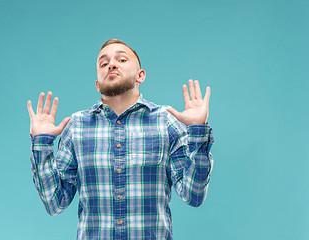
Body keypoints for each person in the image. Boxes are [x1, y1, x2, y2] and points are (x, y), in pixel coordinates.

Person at [27, 39, 214, 239]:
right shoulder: (77, 127)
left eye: (122, 59)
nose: (112, 65)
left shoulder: (166, 122)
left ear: (140, 75)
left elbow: (193, 195)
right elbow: (55, 203)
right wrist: (42, 142)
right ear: (98, 85)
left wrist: (197, 130)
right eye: (103, 63)